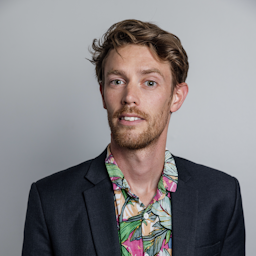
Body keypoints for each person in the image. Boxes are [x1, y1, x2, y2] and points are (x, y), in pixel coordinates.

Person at [22, 19, 245, 256]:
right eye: (117, 81)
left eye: (149, 82)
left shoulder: (222, 196)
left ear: (176, 97)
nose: (129, 96)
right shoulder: (50, 201)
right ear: (102, 94)